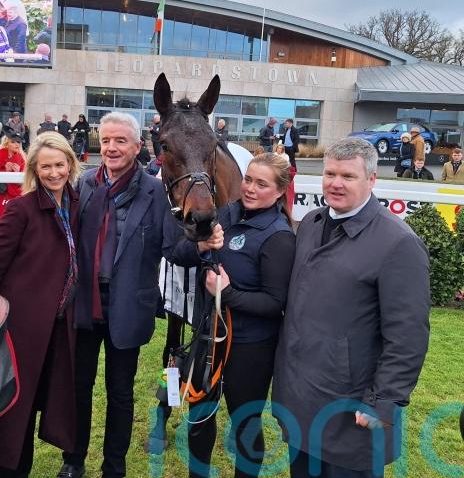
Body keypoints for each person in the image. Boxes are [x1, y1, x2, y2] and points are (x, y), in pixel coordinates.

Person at [272, 137, 430, 478]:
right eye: (330, 174)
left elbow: (407, 337)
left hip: (351, 407)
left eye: (348, 176)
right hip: (302, 398)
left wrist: (383, 402)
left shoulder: (398, 243)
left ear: (371, 180)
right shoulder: (311, 223)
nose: (336, 183)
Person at [57, 112, 175, 478]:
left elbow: (174, 246)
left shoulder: (157, 192)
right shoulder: (83, 184)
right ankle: (73, 460)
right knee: (79, 388)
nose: (111, 147)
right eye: (106, 140)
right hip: (84, 304)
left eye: (120, 141)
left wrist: (205, 241)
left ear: (138, 147)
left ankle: (114, 468)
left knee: (120, 392)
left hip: (128, 307)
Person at [170, 153, 295, 478]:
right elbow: (178, 254)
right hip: (207, 337)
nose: (250, 188)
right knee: (199, 418)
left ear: (279, 191)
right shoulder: (223, 213)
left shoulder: (279, 236)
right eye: (248, 179)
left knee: (245, 424)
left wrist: (226, 293)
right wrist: (201, 245)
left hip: (250, 348)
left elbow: (275, 304)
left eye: (262, 184)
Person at [0, 132, 80, 477]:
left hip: (56, 328)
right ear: (34, 169)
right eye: (45, 167)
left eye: (59, 165)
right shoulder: (21, 209)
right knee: (11, 414)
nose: (54, 173)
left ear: (70, 165)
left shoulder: (76, 206)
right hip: (20, 329)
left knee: (35, 406)